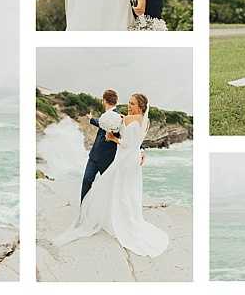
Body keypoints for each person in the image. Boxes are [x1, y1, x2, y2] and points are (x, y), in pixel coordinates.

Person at [55, 94, 169, 258]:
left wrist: (112, 138)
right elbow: (136, 142)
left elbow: (126, 143)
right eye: (129, 102)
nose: (129, 106)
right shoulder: (146, 120)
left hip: (124, 160)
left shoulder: (129, 119)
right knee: (127, 190)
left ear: (141, 106)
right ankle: (127, 218)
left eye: (132, 103)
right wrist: (140, 151)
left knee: (116, 188)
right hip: (133, 161)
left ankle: (113, 219)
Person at [80, 89, 121, 202]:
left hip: (108, 158)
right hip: (94, 156)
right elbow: (101, 123)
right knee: (87, 180)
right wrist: (91, 119)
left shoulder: (119, 117)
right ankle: (83, 207)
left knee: (108, 186)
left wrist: (140, 148)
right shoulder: (105, 116)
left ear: (104, 101)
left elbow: (127, 135)